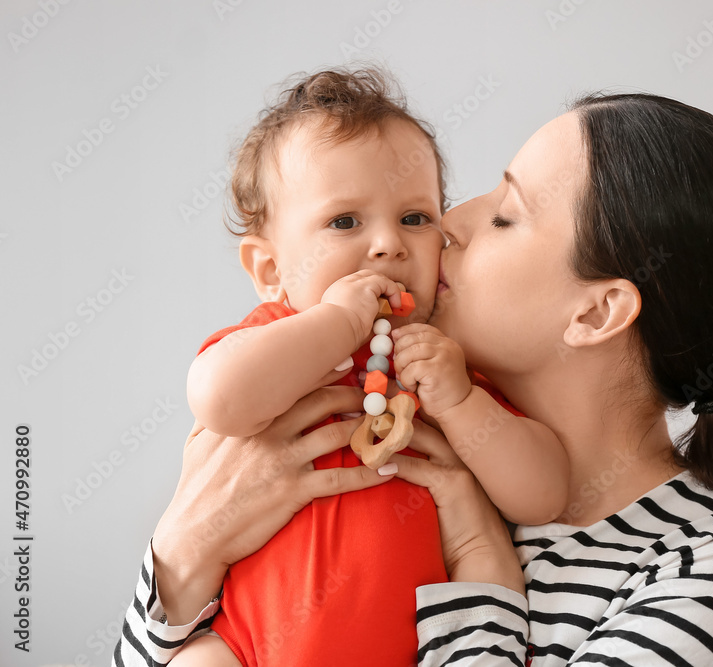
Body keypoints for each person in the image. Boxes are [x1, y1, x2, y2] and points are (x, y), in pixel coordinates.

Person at [115, 92, 713, 666]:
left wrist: (482, 556)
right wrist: (184, 557)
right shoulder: (413, 455)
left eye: (504, 214)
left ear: (596, 313)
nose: (445, 221)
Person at [166, 67, 569, 667]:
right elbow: (220, 398)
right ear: (271, 269)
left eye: (416, 218)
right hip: (251, 648)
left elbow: (543, 495)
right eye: (345, 222)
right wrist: (337, 323)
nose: (388, 245)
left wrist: (460, 403)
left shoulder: (442, 365)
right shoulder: (271, 341)